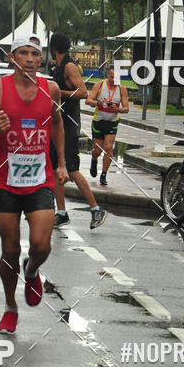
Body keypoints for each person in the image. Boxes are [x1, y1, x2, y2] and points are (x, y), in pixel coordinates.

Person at [0, 37, 68, 335]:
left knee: (41, 245)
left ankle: (33, 269)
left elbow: (56, 124)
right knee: (10, 249)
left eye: (35, 54)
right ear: (12, 58)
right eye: (23, 53)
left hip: (40, 178)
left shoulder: (50, 88)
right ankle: (10, 307)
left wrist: (62, 162)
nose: (29, 58)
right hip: (5, 181)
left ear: (41, 60)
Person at [48, 31, 106, 229]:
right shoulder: (58, 66)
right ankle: (61, 212)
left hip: (69, 126)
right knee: (56, 169)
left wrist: (56, 92)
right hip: (58, 125)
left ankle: (96, 208)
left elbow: (83, 92)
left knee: (71, 169)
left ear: (53, 47)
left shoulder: (70, 66)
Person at [86, 63, 129, 185]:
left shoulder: (122, 89)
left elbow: (126, 108)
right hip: (98, 121)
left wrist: (118, 109)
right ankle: (94, 159)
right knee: (97, 151)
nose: (113, 80)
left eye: (116, 77)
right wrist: (98, 102)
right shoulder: (99, 85)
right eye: (111, 77)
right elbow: (88, 100)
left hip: (112, 122)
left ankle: (103, 174)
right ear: (107, 75)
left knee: (109, 147)